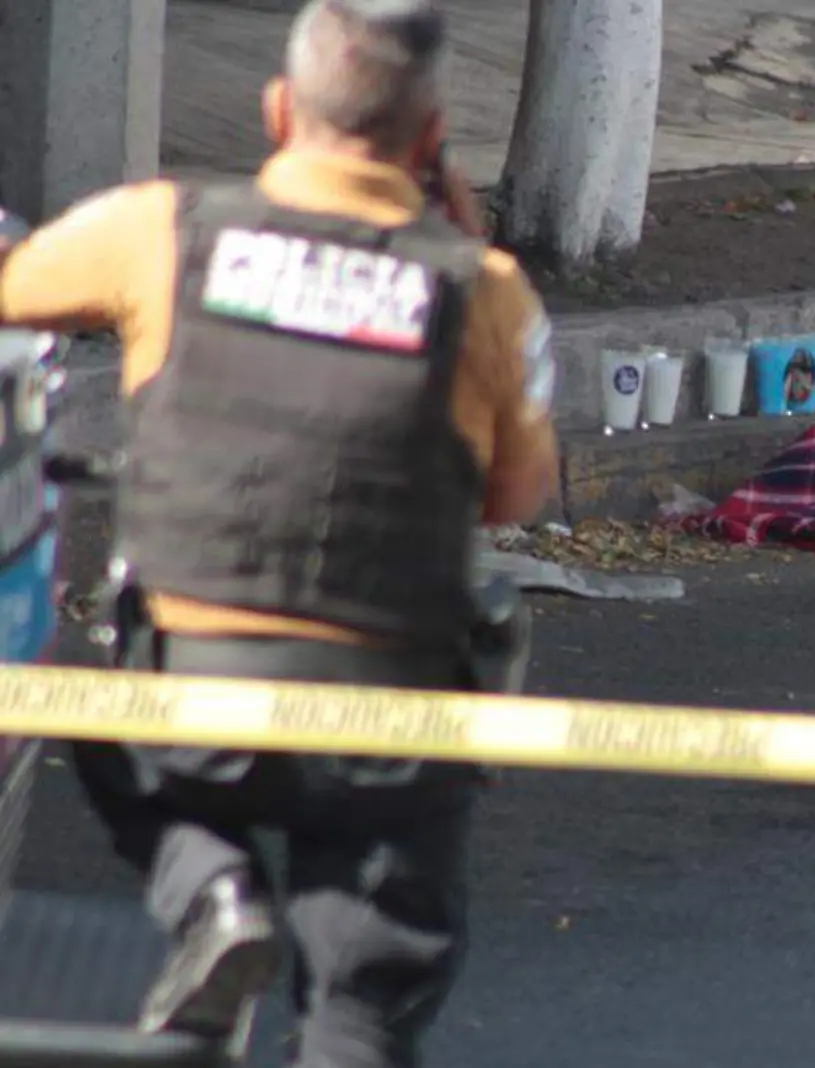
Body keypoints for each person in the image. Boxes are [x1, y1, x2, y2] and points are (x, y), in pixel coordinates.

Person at [0, 1, 559, 1064]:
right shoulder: (485, 295)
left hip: (193, 714)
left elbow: (11, 291)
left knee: (99, 716)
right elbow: (513, 497)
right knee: (358, 1013)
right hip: (391, 734)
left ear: (275, 108)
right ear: (432, 137)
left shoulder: (160, 230)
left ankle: (212, 889)